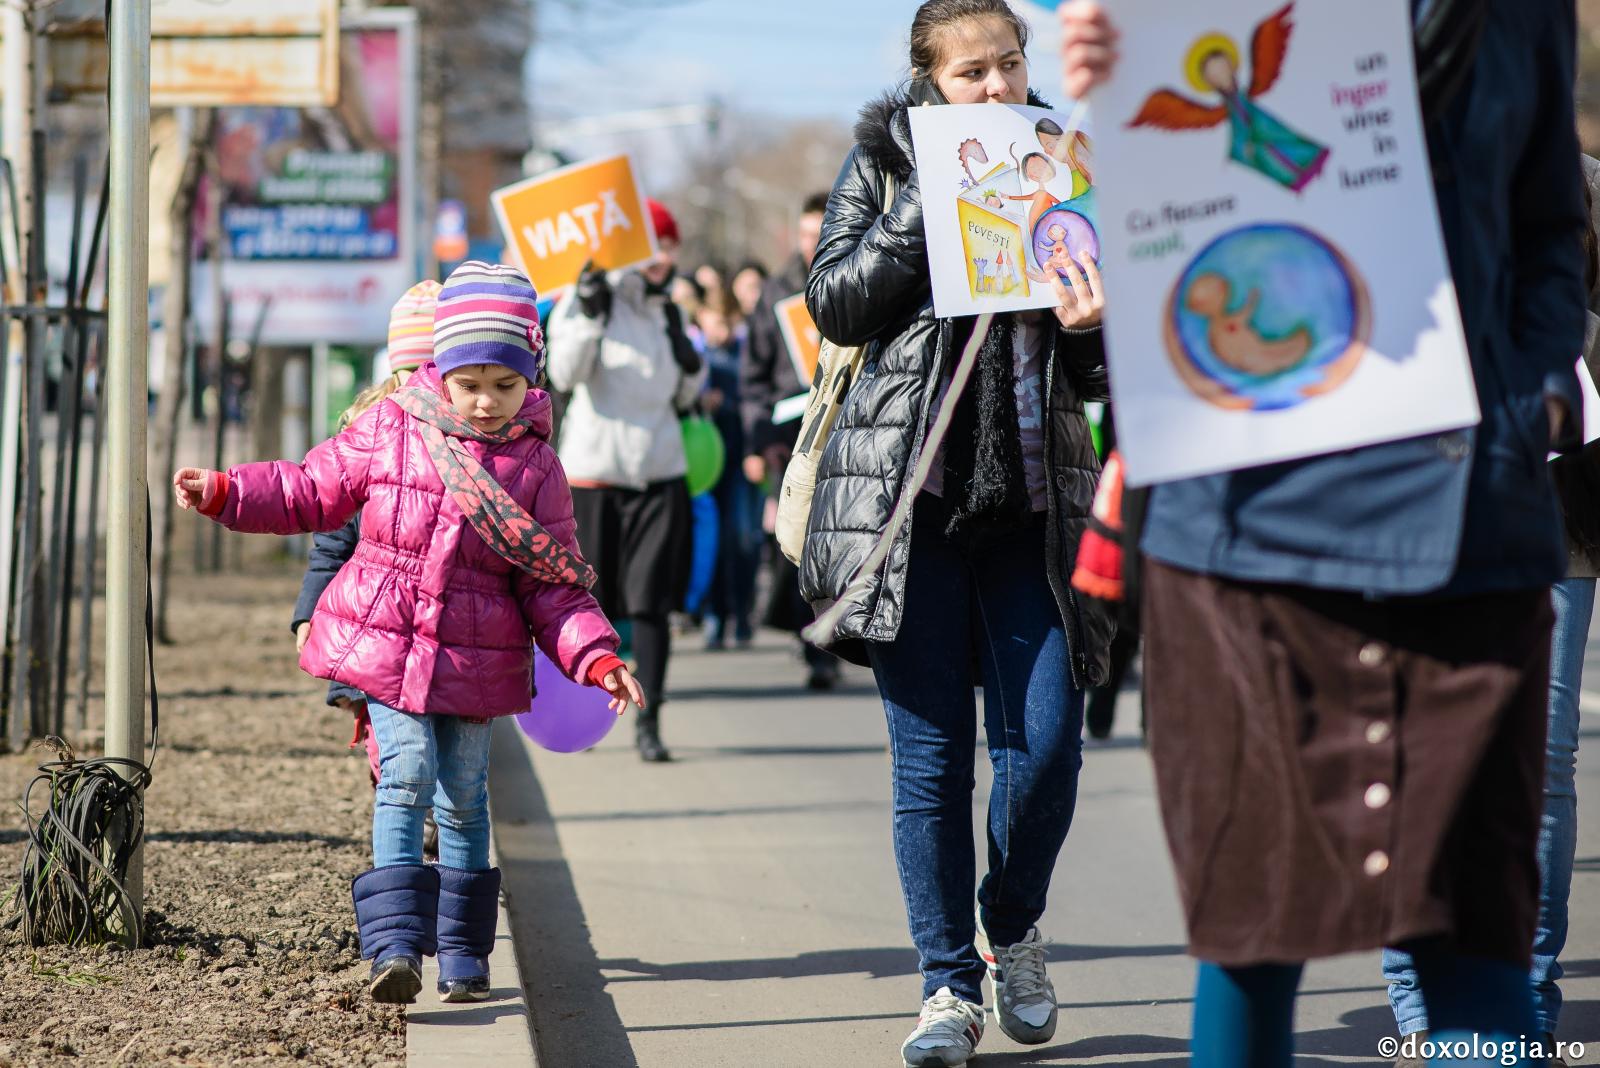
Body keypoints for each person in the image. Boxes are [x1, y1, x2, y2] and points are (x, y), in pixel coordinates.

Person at [1060, 3, 1587, 1067]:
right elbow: (1169, 210)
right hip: (1240, 536)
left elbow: (1551, 232)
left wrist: (1526, 393)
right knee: (1248, 929)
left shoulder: (1519, 10)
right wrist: (1105, 78)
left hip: (1465, 527)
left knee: (1475, 935)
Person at [175, 262, 643, 1007]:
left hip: (477, 659)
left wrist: (595, 656)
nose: (485, 401)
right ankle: (394, 948)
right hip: (388, 644)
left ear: (531, 376)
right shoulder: (390, 427)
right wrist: (230, 491)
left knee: (464, 799)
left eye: (505, 384)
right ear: (439, 370)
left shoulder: (537, 467)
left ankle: (464, 954)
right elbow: (310, 489)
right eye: (469, 383)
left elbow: (553, 582)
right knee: (405, 773)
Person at [801, 3, 1115, 1064]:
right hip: (910, 513)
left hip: (1032, 511)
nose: (995, 87)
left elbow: (1100, 376)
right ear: (928, 80)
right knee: (931, 765)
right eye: (971, 71)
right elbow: (835, 304)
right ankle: (946, 988)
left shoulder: (1063, 164)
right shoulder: (882, 164)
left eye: (1009, 65)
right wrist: (926, 202)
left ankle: (1010, 924)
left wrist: (1091, 326)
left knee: (1047, 749)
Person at [1381, 158, 1600, 1068]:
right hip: (1406, 504)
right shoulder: (1374, 162)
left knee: (1539, 759)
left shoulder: (1578, 180)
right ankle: (1420, 999)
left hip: (1549, 513)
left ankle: (1524, 998)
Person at [548, 199, 707, 763]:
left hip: (659, 473)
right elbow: (564, 373)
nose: (662, 255)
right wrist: (590, 312)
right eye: (652, 243)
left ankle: (650, 722)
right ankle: (580, 717)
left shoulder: (669, 312)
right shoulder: (588, 297)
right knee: (589, 603)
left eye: (670, 244)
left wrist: (692, 362)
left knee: (652, 604)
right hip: (594, 475)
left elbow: (682, 396)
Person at [291, 281, 438, 820]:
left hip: (444, 629)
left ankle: (431, 821)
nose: (423, 385)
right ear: (395, 372)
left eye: (436, 371)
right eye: (412, 371)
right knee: (395, 753)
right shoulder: (367, 438)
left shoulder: (475, 450)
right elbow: (332, 543)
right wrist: (309, 610)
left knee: (446, 753)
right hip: (373, 625)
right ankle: (402, 816)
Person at [741, 191, 842, 690]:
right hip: (790, 438)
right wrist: (757, 443)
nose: (810, 244)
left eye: (818, 233)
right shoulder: (777, 292)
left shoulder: (852, 277)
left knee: (837, 538)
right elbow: (753, 376)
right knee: (798, 539)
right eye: (804, 234)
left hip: (843, 429)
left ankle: (832, 638)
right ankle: (810, 639)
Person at [696, 289, 759, 649]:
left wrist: (728, 403)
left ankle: (742, 613)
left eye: (724, 323)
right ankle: (715, 615)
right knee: (713, 543)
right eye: (712, 322)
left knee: (742, 539)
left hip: (739, 458)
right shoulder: (699, 356)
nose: (718, 331)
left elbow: (753, 399)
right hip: (706, 463)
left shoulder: (743, 354)